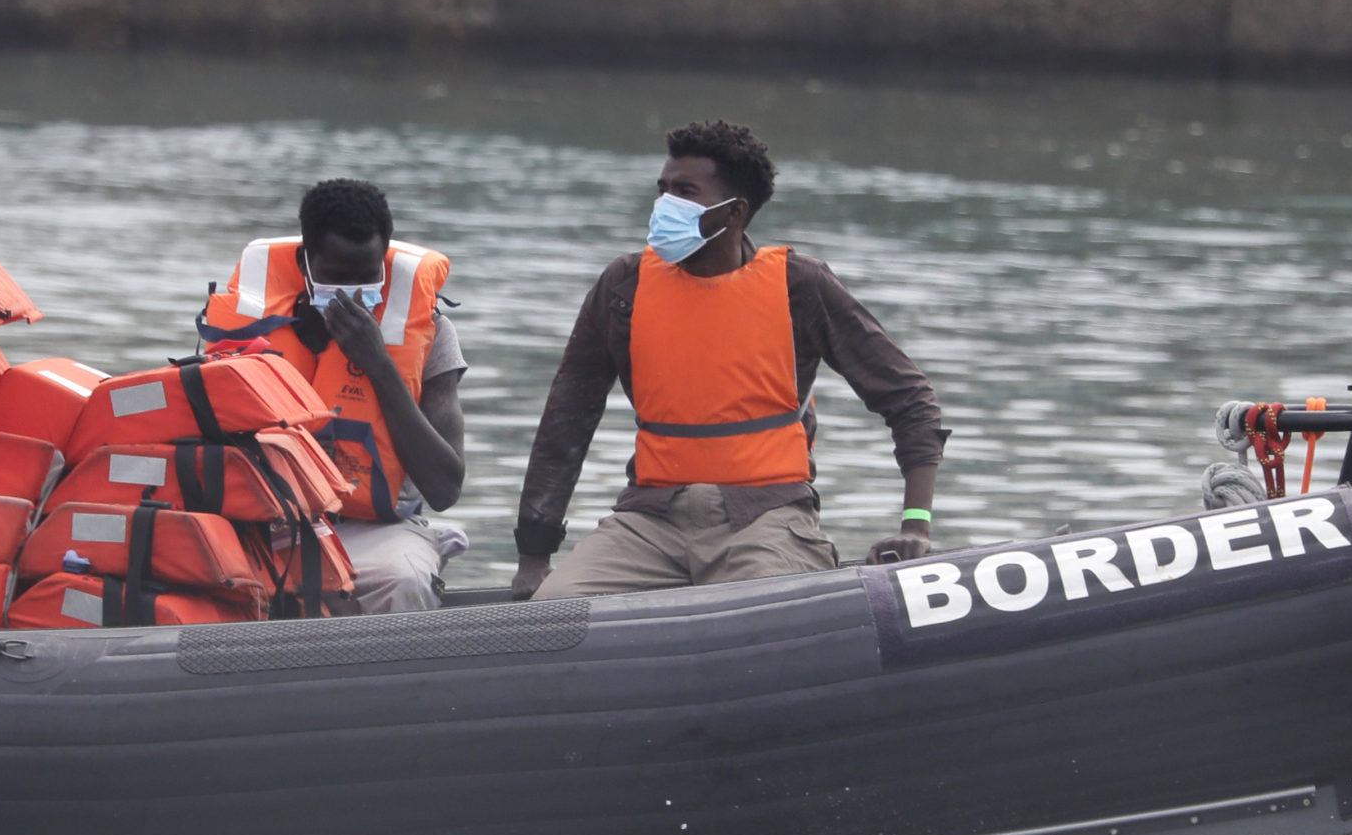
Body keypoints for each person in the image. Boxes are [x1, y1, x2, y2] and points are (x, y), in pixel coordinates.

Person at [509, 120, 946, 601]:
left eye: (684, 192)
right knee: (552, 614)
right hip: (649, 520)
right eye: (662, 190)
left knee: (765, 619)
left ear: (733, 212)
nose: (663, 206)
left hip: (767, 518)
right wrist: (535, 555)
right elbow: (566, 419)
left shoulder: (799, 286)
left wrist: (916, 526)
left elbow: (910, 401)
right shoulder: (624, 287)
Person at [200, 179, 467, 613]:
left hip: (376, 527)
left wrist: (378, 364)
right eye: (336, 278)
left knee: (402, 581)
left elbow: (445, 487)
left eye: (367, 276)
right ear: (306, 262)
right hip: (263, 524)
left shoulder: (429, 334)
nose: (352, 292)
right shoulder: (247, 326)